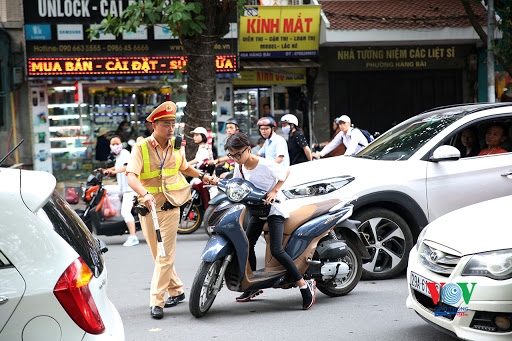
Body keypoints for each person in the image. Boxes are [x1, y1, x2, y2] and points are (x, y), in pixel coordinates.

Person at [126, 101, 215, 319]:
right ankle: (177, 290)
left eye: (173, 123)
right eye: (166, 124)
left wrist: (203, 176)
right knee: (159, 255)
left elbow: (184, 167)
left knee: (164, 256)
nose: (171, 128)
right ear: (154, 125)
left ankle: (157, 301)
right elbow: (131, 176)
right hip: (148, 209)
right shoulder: (142, 148)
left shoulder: (177, 146)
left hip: (171, 207)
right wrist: (144, 194)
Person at [221, 132, 316, 310]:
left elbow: (286, 172)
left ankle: (305, 286)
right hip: (257, 209)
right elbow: (237, 183)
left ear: (248, 149)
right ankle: (252, 287)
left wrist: (274, 191)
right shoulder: (239, 166)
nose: (235, 158)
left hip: (274, 210)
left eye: (238, 154)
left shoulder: (264, 164)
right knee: (246, 244)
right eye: (231, 155)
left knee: (277, 250)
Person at [101, 135, 139, 247]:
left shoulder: (125, 153)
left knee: (125, 212)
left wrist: (115, 172)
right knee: (107, 191)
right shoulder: (118, 156)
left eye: (117, 143)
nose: (115, 146)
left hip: (130, 189)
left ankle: (133, 237)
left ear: (121, 144)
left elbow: (127, 167)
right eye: (113, 144)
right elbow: (118, 166)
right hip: (125, 189)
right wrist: (107, 170)